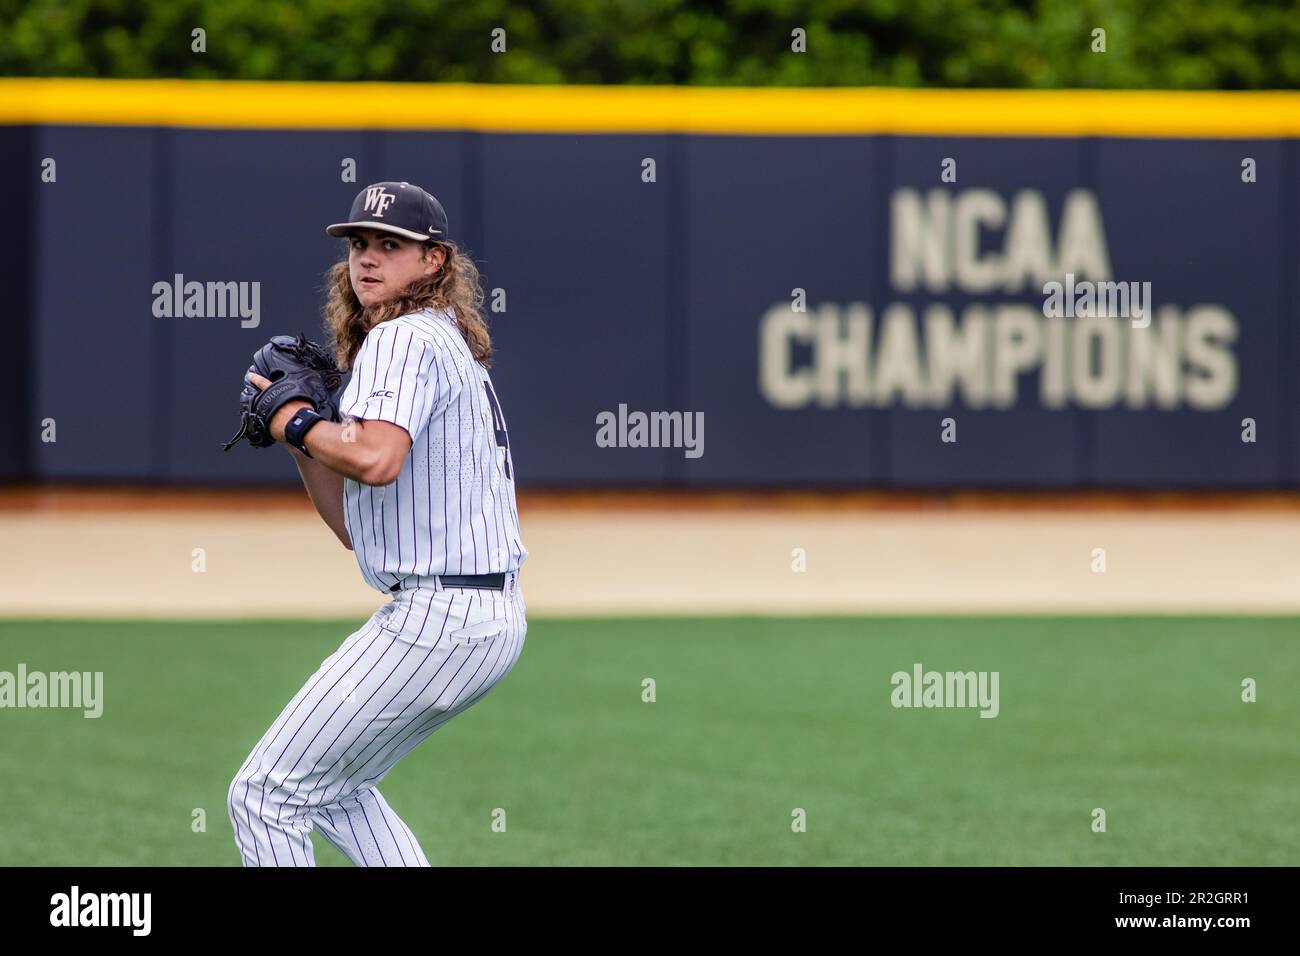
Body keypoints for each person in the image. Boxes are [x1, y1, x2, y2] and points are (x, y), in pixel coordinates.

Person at [227, 181, 527, 867]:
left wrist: (293, 417)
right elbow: (358, 530)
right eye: (359, 243)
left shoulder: (402, 340)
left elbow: (377, 460)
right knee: (336, 790)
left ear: (434, 261)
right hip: (480, 616)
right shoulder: (444, 341)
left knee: (264, 797)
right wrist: (305, 440)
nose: (367, 258)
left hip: (439, 617)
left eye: (391, 245)